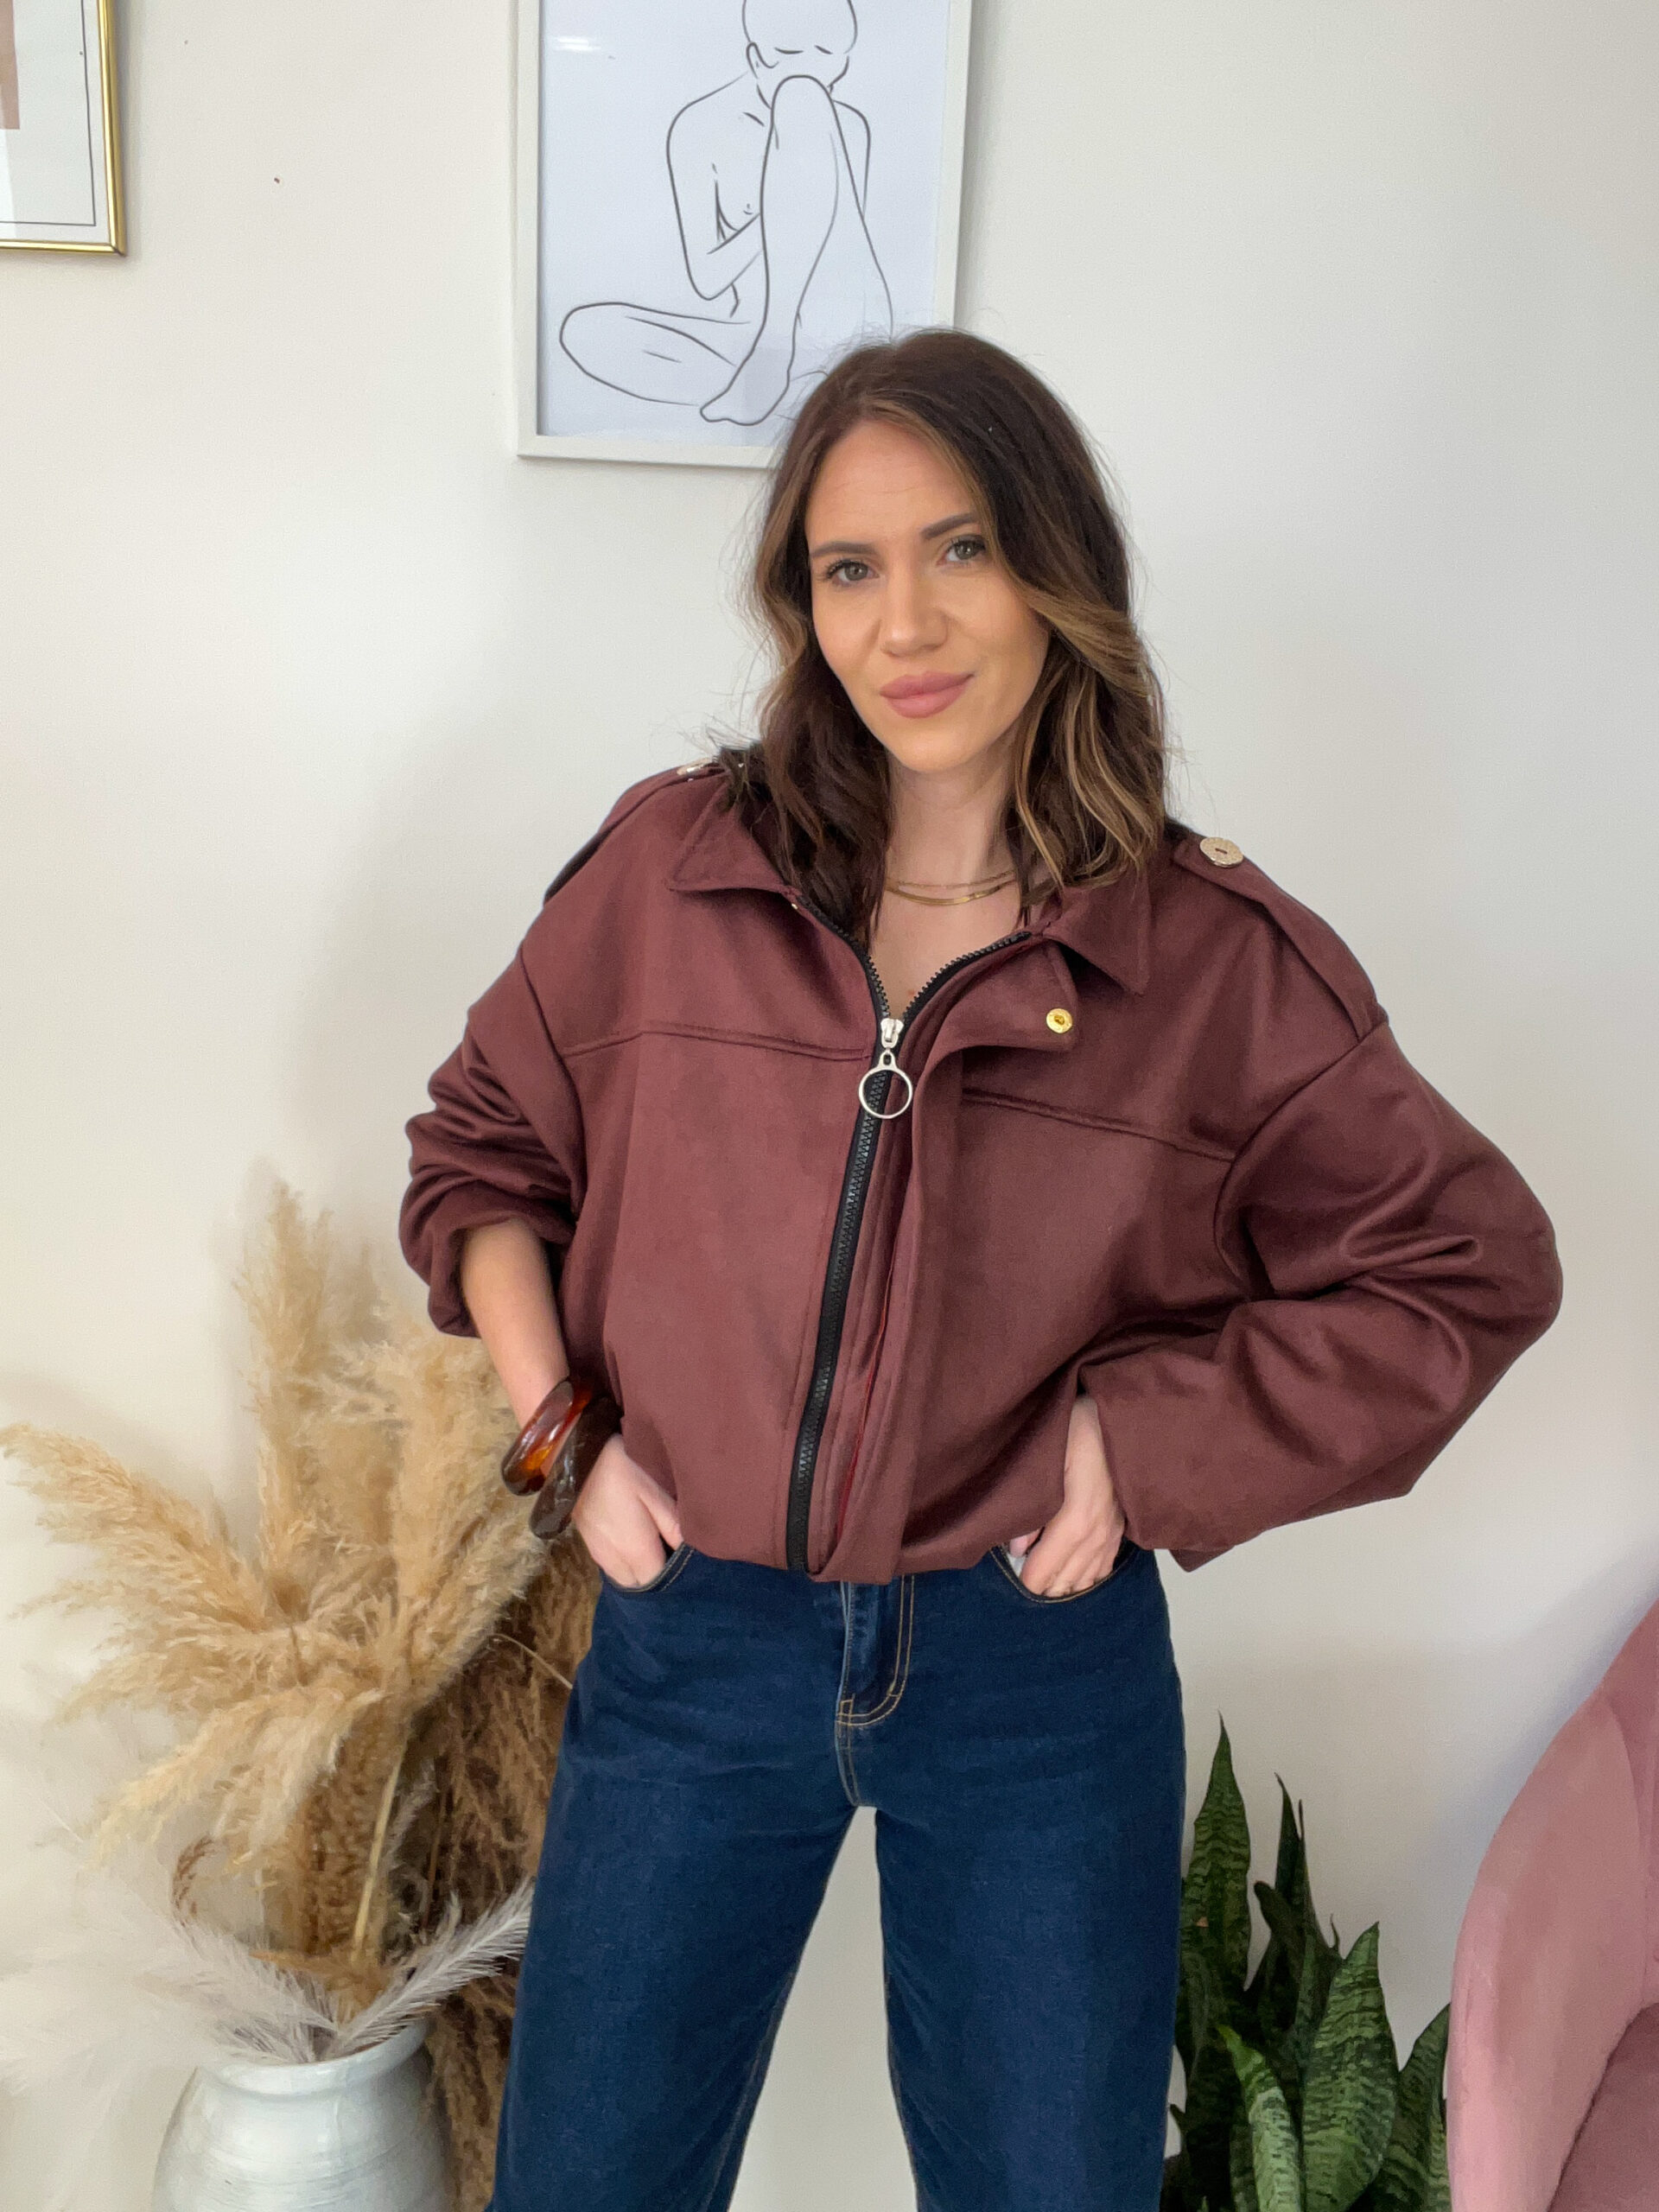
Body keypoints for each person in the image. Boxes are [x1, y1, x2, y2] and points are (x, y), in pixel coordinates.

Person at [399, 328, 1562, 2211]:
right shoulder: (676, 872)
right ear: (802, 607)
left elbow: (1465, 1267)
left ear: (1055, 567)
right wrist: (565, 1439)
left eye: (962, 548)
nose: (908, 623)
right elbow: (481, 1154)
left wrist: (1141, 1442)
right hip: (700, 1634)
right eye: (848, 568)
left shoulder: (1211, 960)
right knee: (589, 2179)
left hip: (1032, 1666)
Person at [559, 0, 893, 427]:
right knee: (587, 331)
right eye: (788, 56)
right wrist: (779, 207)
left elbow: (842, 249)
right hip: (745, 338)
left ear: (843, 64)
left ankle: (779, 367)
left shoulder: (847, 126)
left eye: (826, 58)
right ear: (756, 58)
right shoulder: (700, 127)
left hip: (841, 334)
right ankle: (798, 388)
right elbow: (708, 279)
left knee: (802, 100)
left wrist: (794, 193)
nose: (808, 73)